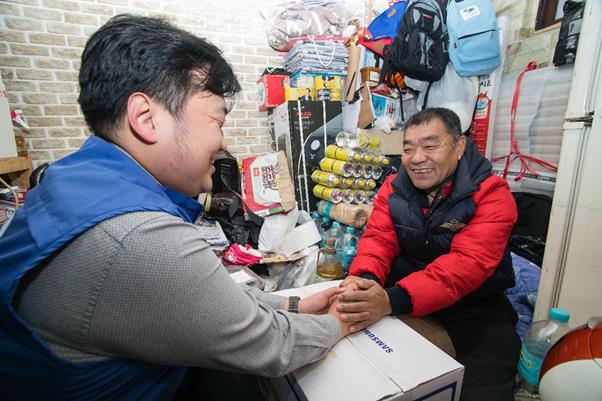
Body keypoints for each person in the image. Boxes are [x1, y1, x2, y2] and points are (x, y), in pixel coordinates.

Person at [0, 15, 359, 401]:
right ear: (145, 118)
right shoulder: (137, 236)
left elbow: (196, 301)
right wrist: (338, 322)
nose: (222, 144)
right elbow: (270, 345)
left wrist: (293, 303)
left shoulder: (77, 178)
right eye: (217, 122)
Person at [337, 108, 521, 401]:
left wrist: (389, 300)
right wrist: (365, 281)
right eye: (408, 149)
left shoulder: (491, 194)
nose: (417, 158)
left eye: (430, 146)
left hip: (472, 301)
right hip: (401, 288)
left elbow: (466, 266)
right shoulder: (392, 189)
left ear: (459, 147)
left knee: (487, 379)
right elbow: (378, 240)